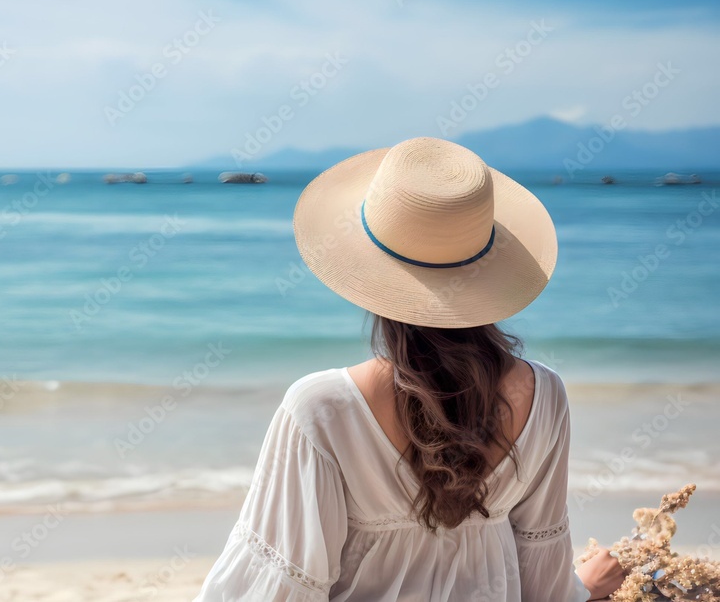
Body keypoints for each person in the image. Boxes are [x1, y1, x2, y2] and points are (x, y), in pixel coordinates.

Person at [194, 138, 624, 601]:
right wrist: (586, 591)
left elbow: (282, 585)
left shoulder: (323, 408)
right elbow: (543, 581)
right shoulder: (543, 394)